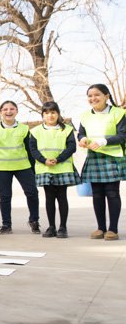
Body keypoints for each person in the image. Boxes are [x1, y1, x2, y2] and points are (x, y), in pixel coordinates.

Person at [77, 84, 126, 241]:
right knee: (97, 194)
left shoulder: (118, 113)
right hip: (94, 157)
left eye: (97, 95)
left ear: (106, 96)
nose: (93, 98)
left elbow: (123, 135)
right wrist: (82, 139)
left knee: (112, 193)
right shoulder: (85, 115)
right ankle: (100, 228)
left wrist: (103, 141)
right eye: (90, 96)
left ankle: (112, 229)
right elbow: (81, 133)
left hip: (112, 157)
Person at [0, 100, 40, 235]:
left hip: (23, 166)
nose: (8, 112)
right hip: (2, 167)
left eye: (12, 109)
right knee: (5, 196)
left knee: (32, 193)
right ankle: (6, 224)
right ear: (1, 112)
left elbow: (30, 149)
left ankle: (34, 221)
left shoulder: (24, 129)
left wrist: (33, 168)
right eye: (5, 109)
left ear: (17, 111)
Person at [28, 102, 79, 238]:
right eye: (47, 113)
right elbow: (32, 149)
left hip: (62, 168)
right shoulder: (35, 131)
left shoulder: (67, 129)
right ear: (43, 115)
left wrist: (58, 159)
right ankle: (51, 227)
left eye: (53, 112)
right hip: (44, 168)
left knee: (62, 197)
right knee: (49, 198)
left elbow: (71, 147)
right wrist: (44, 160)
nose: (50, 115)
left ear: (58, 113)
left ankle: (63, 227)